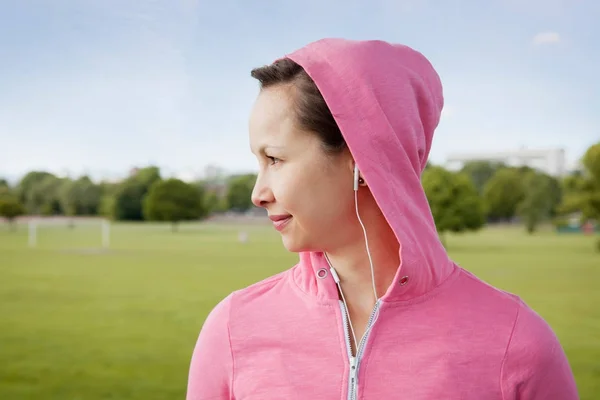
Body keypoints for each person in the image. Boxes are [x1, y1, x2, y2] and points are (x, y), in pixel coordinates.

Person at [186, 38, 578, 399]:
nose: (258, 194)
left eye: (275, 159)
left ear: (360, 157)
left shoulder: (517, 343)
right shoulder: (234, 329)